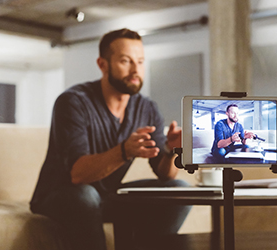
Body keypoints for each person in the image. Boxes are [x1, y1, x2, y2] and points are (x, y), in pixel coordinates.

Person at [30, 28, 191, 250]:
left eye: (141, 62)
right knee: (85, 195)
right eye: (126, 61)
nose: (136, 69)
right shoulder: (73, 102)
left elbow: (165, 174)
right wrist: (124, 151)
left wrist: (172, 149)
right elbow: (78, 175)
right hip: (60, 196)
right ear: (103, 64)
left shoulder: (146, 108)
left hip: (107, 195)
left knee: (179, 189)